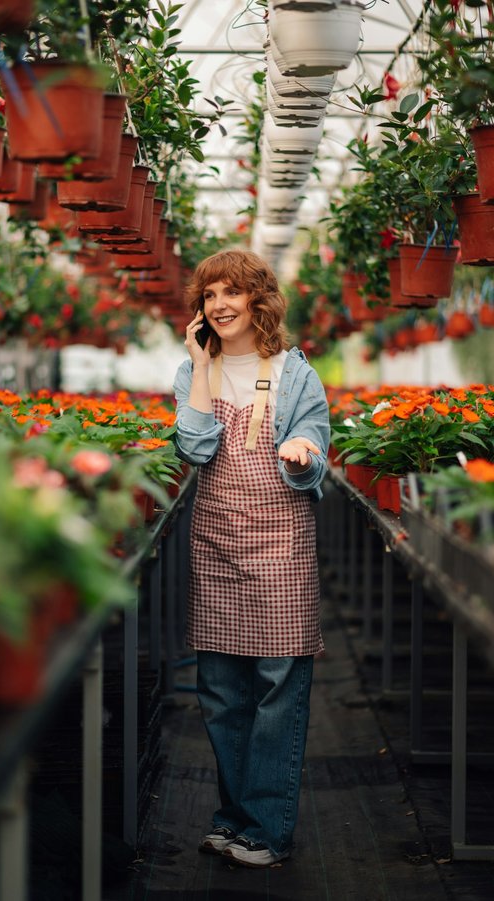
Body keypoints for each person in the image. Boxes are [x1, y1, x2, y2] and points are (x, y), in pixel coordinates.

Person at [173, 249, 330, 869]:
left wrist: (300, 446)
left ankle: (267, 829)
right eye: (210, 295)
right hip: (215, 541)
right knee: (220, 692)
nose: (220, 305)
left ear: (258, 298)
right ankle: (233, 819)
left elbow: (318, 444)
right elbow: (196, 446)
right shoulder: (194, 373)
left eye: (231, 292)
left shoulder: (294, 373)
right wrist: (200, 367)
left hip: (280, 544)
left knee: (276, 690)